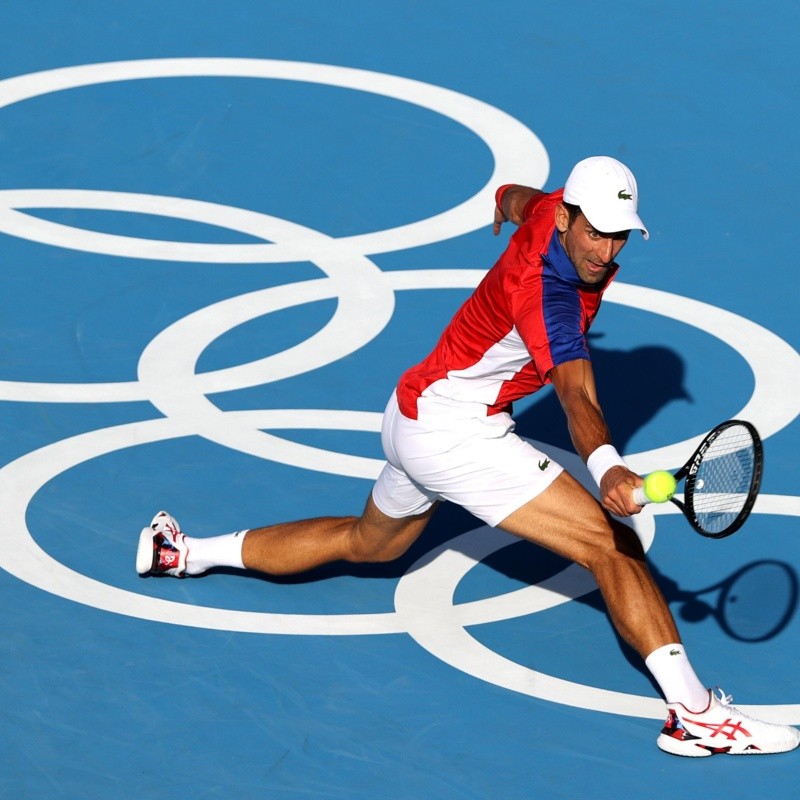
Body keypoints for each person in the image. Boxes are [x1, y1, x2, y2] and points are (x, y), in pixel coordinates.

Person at [137, 156, 799, 757]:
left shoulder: (551, 211)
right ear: (570, 218)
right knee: (610, 544)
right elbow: (575, 395)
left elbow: (518, 199)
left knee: (370, 545)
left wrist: (506, 201)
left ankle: (183, 553)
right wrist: (606, 467)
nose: (606, 249)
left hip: (412, 411)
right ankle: (694, 715)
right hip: (457, 435)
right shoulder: (552, 301)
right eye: (596, 232)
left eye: (620, 234)